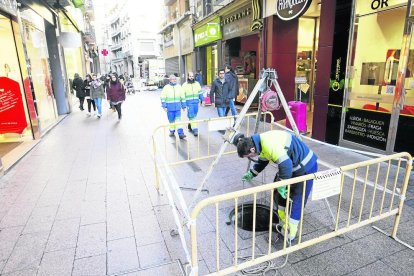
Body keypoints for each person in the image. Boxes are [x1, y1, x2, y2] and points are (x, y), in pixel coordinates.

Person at [235, 130, 318, 241]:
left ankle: (290, 233)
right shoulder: (259, 143)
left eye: (248, 156)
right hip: (293, 165)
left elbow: (286, 165)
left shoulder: (268, 145)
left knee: (297, 198)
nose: (250, 157)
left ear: (252, 149)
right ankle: (283, 223)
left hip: (306, 166)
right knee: (280, 195)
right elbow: (263, 161)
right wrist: (252, 173)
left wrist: (282, 185)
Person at [161, 74, 187, 139]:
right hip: (170, 108)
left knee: (178, 121)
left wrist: (183, 106)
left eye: (175, 79)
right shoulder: (166, 87)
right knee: (171, 121)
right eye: (173, 79)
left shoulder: (179, 87)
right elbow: (163, 97)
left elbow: (183, 97)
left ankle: (181, 134)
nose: (174, 80)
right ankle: (172, 131)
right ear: (170, 80)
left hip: (177, 108)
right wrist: (164, 106)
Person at [182, 72, 203, 136]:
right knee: (191, 116)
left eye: (192, 76)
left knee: (194, 115)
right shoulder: (184, 85)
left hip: (196, 102)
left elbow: (200, 92)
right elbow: (182, 95)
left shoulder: (197, 84)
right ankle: (195, 130)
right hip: (189, 103)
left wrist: (203, 100)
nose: (191, 77)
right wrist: (183, 105)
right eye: (190, 76)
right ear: (188, 77)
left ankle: (190, 125)